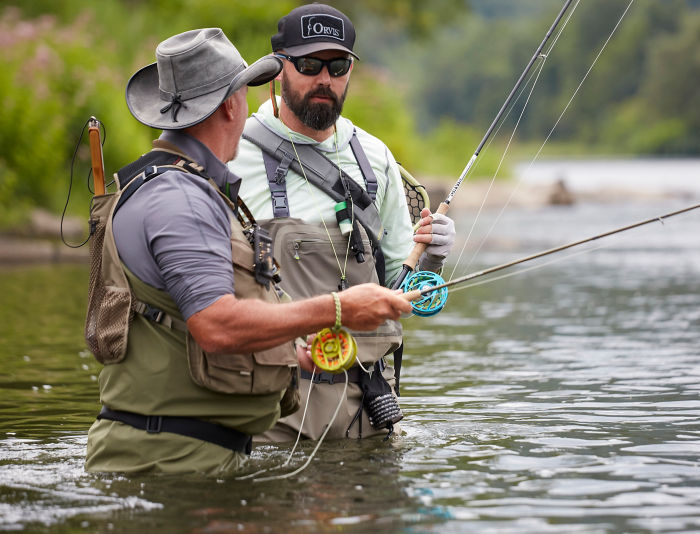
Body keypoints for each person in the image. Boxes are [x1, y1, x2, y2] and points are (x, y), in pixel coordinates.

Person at [84, 28, 411, 475]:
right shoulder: (182, 201)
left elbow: (180, 323)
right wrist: (338, 308)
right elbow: (216, 325)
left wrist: (290, 352)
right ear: (231, 105)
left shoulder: (181, 188)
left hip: (184, 459)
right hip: (172, 467)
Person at [228, 4, 456, 442]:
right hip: (268, 412)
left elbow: (402, 294)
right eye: (309, 64)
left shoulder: (375, 158)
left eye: (337, 66)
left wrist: (432, 261)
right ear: (279, 70)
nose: (324, 79)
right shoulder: (234, 154)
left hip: (368, 411)